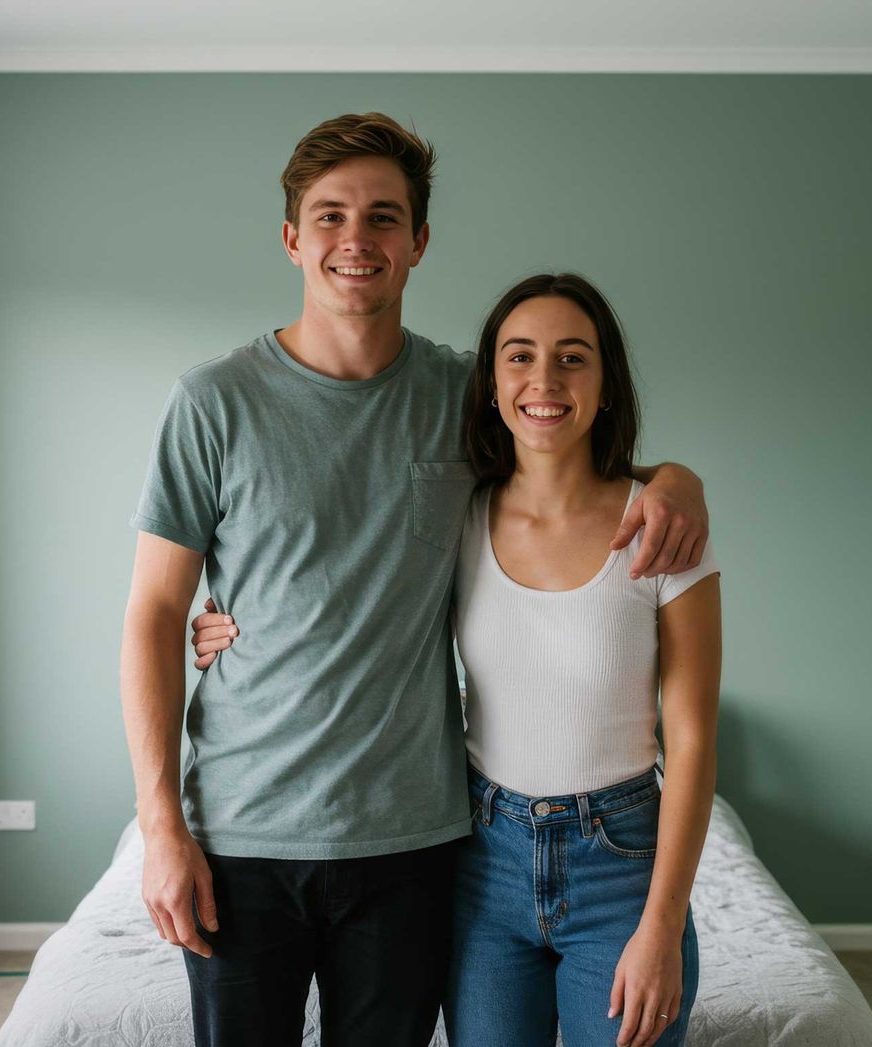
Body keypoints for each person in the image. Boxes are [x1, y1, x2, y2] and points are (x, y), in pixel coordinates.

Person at [120, 113, 711, 1046]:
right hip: (241, 836)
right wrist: (161, 827)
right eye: (330, 216)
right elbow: (156, 615)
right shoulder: (213, 402)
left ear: (419, 242)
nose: (357, 240)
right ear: (292, 237)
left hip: (415, 841)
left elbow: (567, 445)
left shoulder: (465, 397)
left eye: (384, 217)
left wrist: (678, 480)